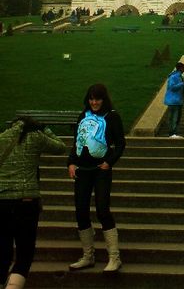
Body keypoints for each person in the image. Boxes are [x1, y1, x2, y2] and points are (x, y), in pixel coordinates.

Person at [0, 117, 65, 289]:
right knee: (24, 254)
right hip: (26, 202)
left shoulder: (2, 137)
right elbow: (60, 147)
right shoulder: (36, 136)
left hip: (2, 202)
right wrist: (46, 129)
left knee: (3, 253)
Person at [68, 84, 126, 273]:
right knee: (81, 210)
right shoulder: (83, 115)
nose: (94, 102)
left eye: (98, 99)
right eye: (91, 98)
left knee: (102, 209)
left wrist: (110, 162)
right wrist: (71, 162)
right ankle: (88, 256)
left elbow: (120, 144)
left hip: (101, 170)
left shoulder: (112, 116)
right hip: (82, 170)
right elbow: (77, 140)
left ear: (104, 99)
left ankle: (114, 257)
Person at [164, 62, 184, 137]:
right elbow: (172, 87)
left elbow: (179, 88)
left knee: (177, 118)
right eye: (183, 68)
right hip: (173, 101)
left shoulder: (180, 77)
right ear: (180, 68)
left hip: (178, 100)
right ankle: (172, 132)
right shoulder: (173, 77)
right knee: (174, 118)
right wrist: (182, 84)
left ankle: (174, 132)